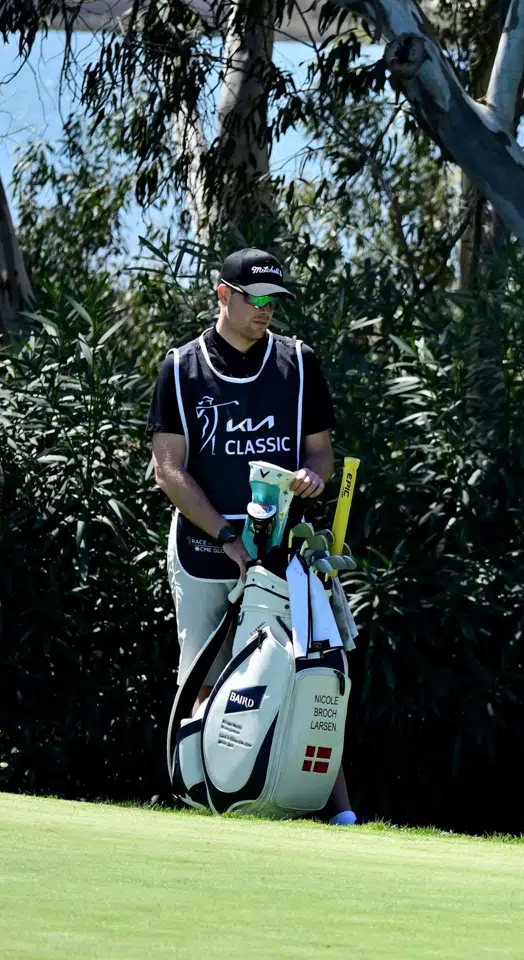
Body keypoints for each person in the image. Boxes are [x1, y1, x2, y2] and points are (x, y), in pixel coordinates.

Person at [148, 247, 357, 826]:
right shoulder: (181, 367)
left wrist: (316, 476)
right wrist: (223, 535)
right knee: (204, 673)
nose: (267, 310)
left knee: (308, 666)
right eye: (256, 298)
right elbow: (169, 469)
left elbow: (321, 452)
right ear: (224, 295)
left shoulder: (299, 362)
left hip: (282, 549)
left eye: (274, 300)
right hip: (203, 548)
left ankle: (337, 811)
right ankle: (201, 798)